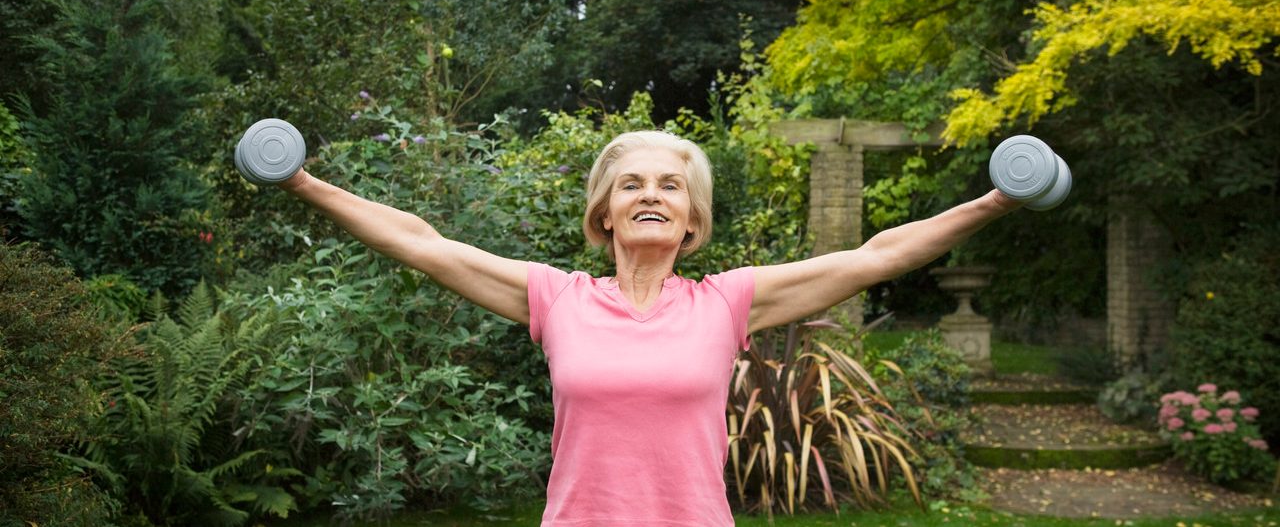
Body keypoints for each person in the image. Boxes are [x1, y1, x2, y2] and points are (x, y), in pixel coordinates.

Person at [278, 130, 1021, 526]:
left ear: (693, 218)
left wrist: (993, 201)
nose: (651, 195)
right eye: (631, 183)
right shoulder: (554, 297)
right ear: (604, 212)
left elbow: (875, 256)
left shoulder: (727, 302)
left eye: (671, 185)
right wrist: (303, 181)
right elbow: (424, 244)